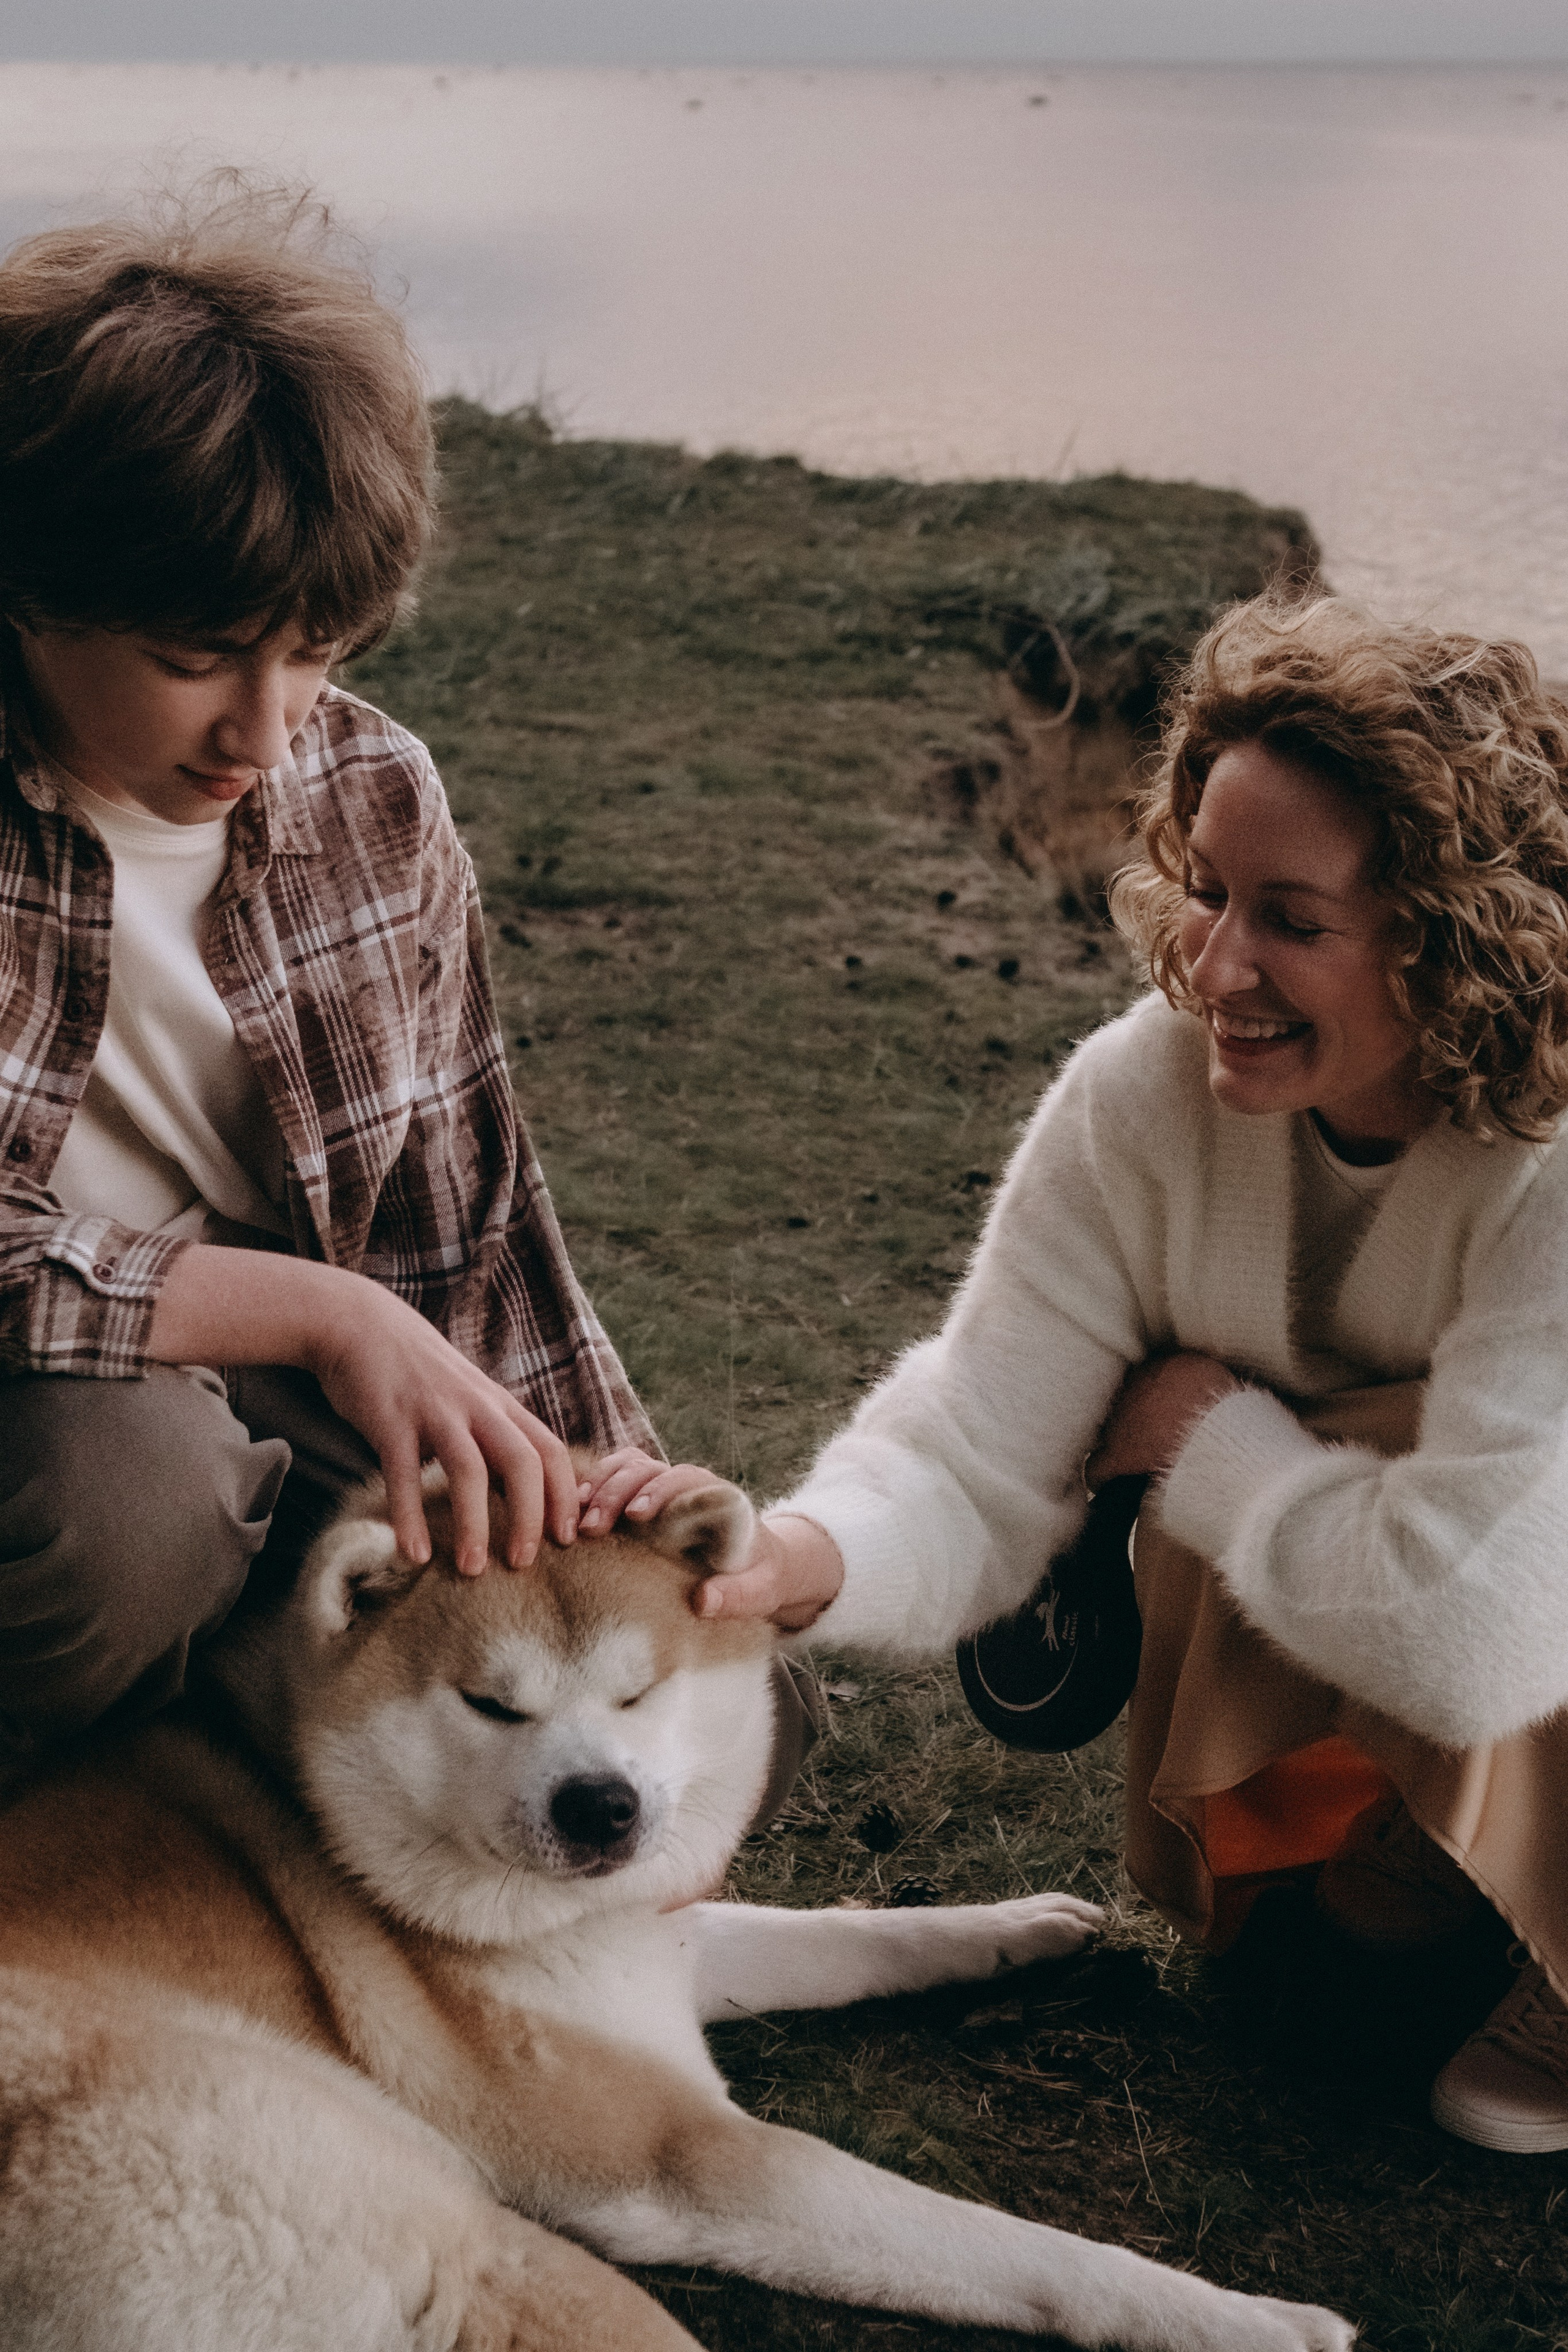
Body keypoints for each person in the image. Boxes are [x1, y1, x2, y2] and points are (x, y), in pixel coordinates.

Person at [589, 593, 1568, 2154]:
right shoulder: (1140, 1098)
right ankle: (1422, 1853)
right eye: (1205, 891)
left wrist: (1208, 1435)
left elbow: (1476, 1635)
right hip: (1359, 1636)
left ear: (1447, 941)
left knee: (1499, 1493)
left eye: (1290, 921)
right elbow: (980, 1439)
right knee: (1318, 1986)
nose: (1216, 964)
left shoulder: (1545, 1158)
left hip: (1501, 1637)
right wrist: (793, 1557)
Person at [0, 186, 818, 1785]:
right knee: (122, 1513)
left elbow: (467, 1223)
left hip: (289, 1408)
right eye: (198, 657)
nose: (267, 728)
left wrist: (603, 1488)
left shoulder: (371, 792)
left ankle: (236, 1765)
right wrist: (321, 1307)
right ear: (30, 591)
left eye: (316, 648)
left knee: (737, 1716)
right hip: (73, 1436)